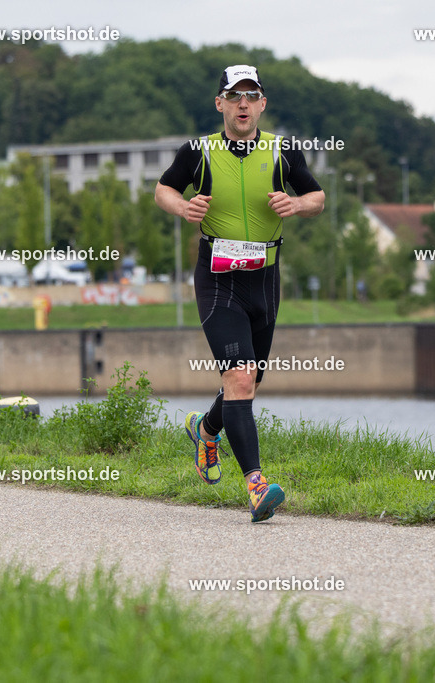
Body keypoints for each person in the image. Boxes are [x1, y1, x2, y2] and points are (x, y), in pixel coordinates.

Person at [154, 64, 325, 522]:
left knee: (249, 381)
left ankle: (206, 430)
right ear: (220, 104)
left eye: (251, 96)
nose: (243, 104)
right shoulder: (199, 152)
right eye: (235, 96)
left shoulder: (283, 151)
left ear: (262, 104)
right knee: (241, 378)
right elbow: (163, 189)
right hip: (219, 277)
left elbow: (318, 197)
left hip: (265, 279)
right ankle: (256, 486)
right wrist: (182, 206)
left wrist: (297, 204)